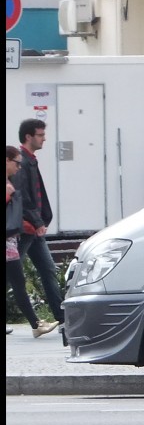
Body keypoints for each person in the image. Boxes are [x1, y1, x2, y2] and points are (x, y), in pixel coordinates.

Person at [14, 119, 64, 334]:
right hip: (27, 229)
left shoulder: (29, 160)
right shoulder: (22, 163)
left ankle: (62, 317)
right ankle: (57, 318)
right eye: (41, 135)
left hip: (34, 228)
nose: (44, 139)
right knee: (14, 273)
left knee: (48, 269)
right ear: (28, 136)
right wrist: (37, 221)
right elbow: (23, 197)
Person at [6, 145, 54, 336]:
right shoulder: (8, 185)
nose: (19, 167)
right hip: (7, 244)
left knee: (17, 282)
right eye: (16, 163)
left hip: (10, 241)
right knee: (18, 282)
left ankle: (36, 324)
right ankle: (36, 325)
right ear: (7, 161)